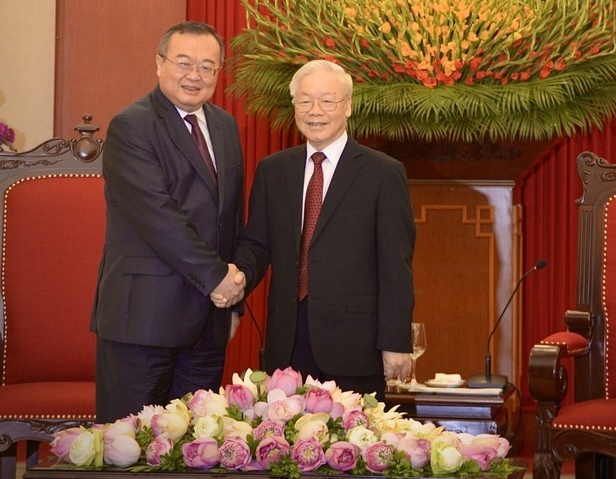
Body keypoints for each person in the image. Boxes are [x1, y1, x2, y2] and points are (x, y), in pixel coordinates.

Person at [91, 21, 246, 423]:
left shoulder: (226, 127)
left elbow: (228, 219)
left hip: (207, 324)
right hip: (144, 322)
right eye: (183, 62)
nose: (195, 75)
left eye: (207, 66)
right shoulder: (132, 126)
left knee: (195, 450)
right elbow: (159, 217)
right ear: (159, 64)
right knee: (131, 448)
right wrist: (219, 279)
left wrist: (232, 303)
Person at [233, 60, 415, 400]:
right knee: (286, 447)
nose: (315, 111)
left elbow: (396, 263)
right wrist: (236, 279)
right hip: (287, 341)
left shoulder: (383, 173)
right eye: (305, 101)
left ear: (347, 105)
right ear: (294, 106)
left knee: (353, 449)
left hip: (355, 345)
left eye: (327, 101)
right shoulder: (274, 171)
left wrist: (395, 341)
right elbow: (256, 244)